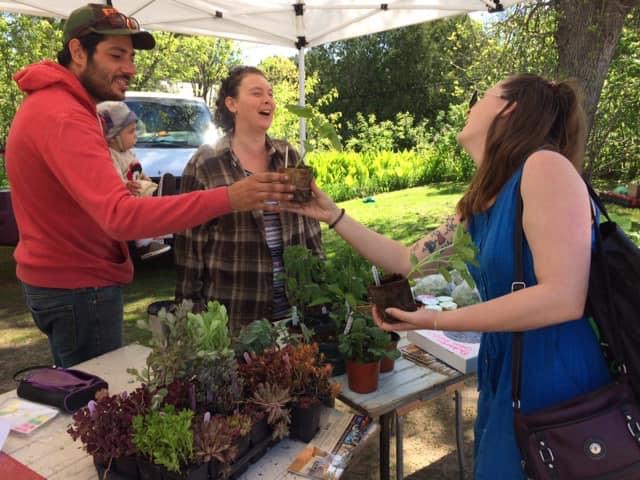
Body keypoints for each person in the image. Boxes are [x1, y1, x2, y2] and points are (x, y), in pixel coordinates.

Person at [288, 74, 611, 478]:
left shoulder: (545, 167)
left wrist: (436, 320)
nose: (469, 106)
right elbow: (410, 261)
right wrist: (332, 215)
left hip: (555, 379)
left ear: (508, 110)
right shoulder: (482, 198)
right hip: (504, 374)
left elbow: (563, 296)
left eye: (480, 96)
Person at [4, 4, 294, 368]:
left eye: (131, 57)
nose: (130, 68)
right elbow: (121, 218)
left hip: (64, 282)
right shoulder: (63, 114)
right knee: (95, 403)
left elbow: (80, 199)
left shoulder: (56, 105)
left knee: (82, 396)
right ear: (78, 52)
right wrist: (229, 197)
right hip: (79, 287)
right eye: (116, 55)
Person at [174, 66, 323, 331]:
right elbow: (189, 250)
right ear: (232, 104)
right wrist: (190, 318)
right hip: (236, 320)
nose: (268, 100)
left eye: (270, 94)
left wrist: (321, 286)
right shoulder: (206, 163)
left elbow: (310, 227)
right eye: (256, 93)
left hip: (295, 317)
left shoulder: (287, 155)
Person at [97, 100, 171, 261]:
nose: (135, 135)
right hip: (126, 197)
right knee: (144, 205)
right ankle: (145, 242)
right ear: (113, 137)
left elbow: (138, 169)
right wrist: (125, 185)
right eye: (131, 132)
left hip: (137, 192)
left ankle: (159, 226)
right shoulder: (110, 155)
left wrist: (145, 177)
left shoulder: (129, 153)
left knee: (149, 205)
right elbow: (112, 178)